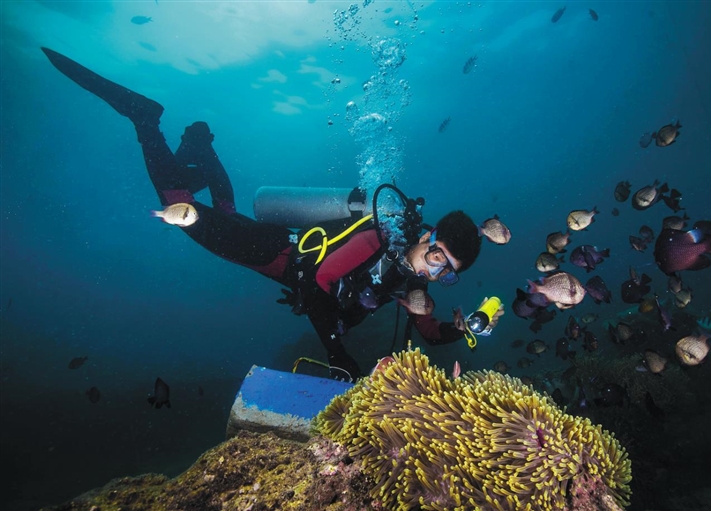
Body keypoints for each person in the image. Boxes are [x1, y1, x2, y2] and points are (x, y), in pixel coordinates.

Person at [41, 47, 504, 381]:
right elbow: (318, 283)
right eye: (437, 257)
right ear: (428, 236)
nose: (434, 271)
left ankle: (200, 146)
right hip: (273, 253)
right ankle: (145, 120)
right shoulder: (380, 238)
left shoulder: (413, 281)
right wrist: (337, 353)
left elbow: (429, 331)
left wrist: (462, 329)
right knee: (179, 206)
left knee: (226, 212)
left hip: (276, 252)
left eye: (446, 273)